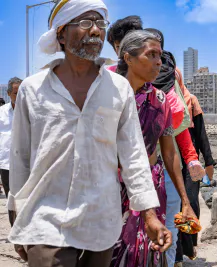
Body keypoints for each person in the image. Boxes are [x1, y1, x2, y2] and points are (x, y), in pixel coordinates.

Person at [7, 1, 171, 266]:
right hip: (45, 220)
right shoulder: (32, 89)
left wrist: (150, 215)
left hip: (101, 221)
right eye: (84, 22)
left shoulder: (118, 88)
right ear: (60, 33)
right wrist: (18, 220)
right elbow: (20, 158)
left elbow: (134, 155)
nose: (95, 30)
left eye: (100, 23)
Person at [107, 20, 203, 267]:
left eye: (160, 55)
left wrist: (184, 199)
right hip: (111, 185)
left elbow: (169, 151)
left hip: (152, 184)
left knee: (151, 249)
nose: (159, 62)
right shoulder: (106, 92)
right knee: (115, 251)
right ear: (127, 58)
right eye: (152, 55)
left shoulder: (160, 99)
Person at [175, 94, 215, 266]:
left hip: (191, 162)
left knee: (191, 201)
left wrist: (209, 162)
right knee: (173, 205)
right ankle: (177, 254)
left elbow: (200, 133)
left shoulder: (191, 100)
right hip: (171, 159)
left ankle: (190, 246)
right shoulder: (162, 98)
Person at [0, 77, 21, 225]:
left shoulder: (31, 112)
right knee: (11, 198)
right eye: (15, 93)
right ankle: (15, 230)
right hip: (6, 163)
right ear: (8, 94)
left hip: (26, 162)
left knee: (26, 197)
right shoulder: (1, 113)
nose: (19, 96)